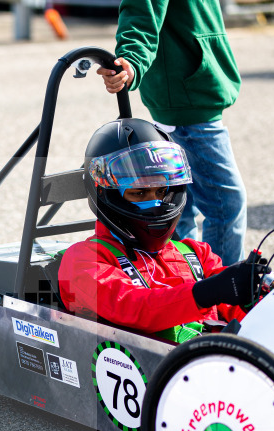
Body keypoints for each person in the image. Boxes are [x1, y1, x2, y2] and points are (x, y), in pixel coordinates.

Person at [58, 118, 265, 342]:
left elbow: (233, 304)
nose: (156, 205)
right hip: (154, 368)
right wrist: (206, 293)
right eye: (138, 194)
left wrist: (257, 295)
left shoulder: (195, 253)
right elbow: (135, 307)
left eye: (161, 191)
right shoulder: (84, 260)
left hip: (211, 360)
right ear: (106, 193)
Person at [96, 0, 247, 264]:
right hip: (188, 100)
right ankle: (225, 293)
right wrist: (131, 61)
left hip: (191, 93)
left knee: (178, 206)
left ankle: (186, 279)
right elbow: (141, 16)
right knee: (226, 205)